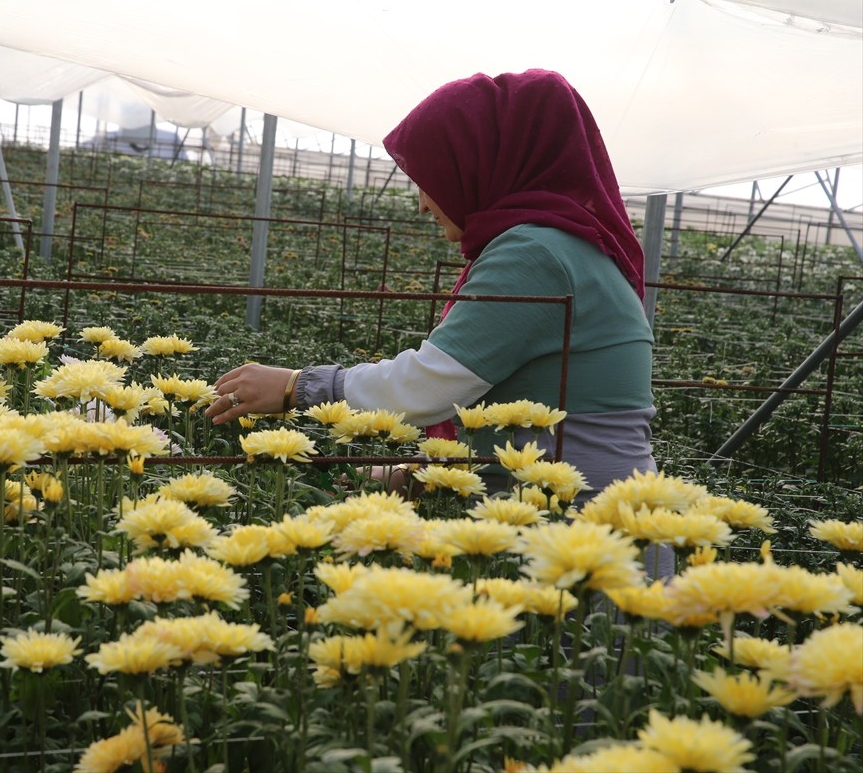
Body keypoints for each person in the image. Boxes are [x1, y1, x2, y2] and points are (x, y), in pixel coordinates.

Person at [206, 69, 657, 503]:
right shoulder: (565, 244)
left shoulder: (535, 252)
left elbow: (428, 385)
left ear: (478, 163)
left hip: (583, 533)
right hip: (573, 510)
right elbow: (509, 398)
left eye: (428, 180)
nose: (422, 204)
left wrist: (297, 387)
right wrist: (416, 477)